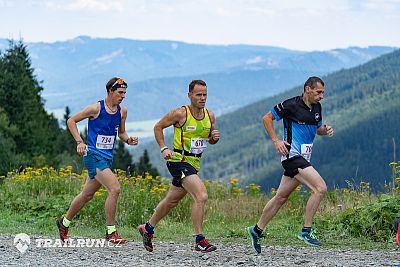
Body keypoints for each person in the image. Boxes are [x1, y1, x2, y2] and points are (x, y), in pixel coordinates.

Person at [247, 76, 334, 253]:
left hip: (304, 158)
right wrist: (276, 141)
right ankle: (306, 231)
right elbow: (266, 118)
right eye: (318, 92)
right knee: (320, 188)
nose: (321, 96)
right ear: (307, 89)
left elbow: (316, 129)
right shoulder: (291, 105)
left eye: (323, 92)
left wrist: (324, 130)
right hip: (292, 156)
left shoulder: (317, 107)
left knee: (281, 197)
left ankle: (256, 230)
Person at [137, 80, 220, 253]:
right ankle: (199, 240)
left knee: (171, 201)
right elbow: (158, 127)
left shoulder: (209, 116)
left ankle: (148, 228)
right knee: (201, 196)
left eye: (205, 94)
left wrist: (214, 138)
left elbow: (210, 140)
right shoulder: (180, 114)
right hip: (178, 161)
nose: (202, 98)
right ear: (189, 95)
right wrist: (163, 148)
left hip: (194, 163)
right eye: (198, 94)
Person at [56, 77, 138, 244]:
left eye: (124, 93)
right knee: (115, 189)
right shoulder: (96, 108)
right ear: (110, 91)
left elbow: (121, 133)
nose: (123, 96)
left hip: (107, 157)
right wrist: (80, 141)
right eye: (120, 92)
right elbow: (71, 121)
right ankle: (111, 231)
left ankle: (64, 222)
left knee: (87, 194)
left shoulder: (122, 111)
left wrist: (128, 140)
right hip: (93, 155)